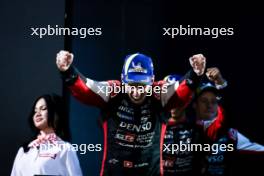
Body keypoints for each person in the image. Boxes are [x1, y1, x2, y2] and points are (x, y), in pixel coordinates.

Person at [56, 51, 207, 176]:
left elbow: (181, 91)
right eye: (131, 85)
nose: (136, 92)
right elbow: (87, 90)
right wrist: (68, 71)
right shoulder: (113, 91)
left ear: (152, 80)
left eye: (142, 86)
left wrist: (195, 74)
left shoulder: (158, 93)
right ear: (123, 80)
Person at [192, 68, 264, 176]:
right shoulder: (188, 129)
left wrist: (220, 82)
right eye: (204, 100)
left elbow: (260, 149)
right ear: (195, 105)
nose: (209, 105)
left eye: (214, 101)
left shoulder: (230, 134)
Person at [11, 94, 83, 176]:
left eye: (43, 109)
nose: (37, 114)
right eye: (35, 111)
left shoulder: (65, 148)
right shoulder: (24, 150)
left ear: (57, 114)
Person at [162, 74, 205, 176]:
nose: (174, 103)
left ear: (189, 98)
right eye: (170, 98)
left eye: (179, 98)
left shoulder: (198, 128)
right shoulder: (155, 125)